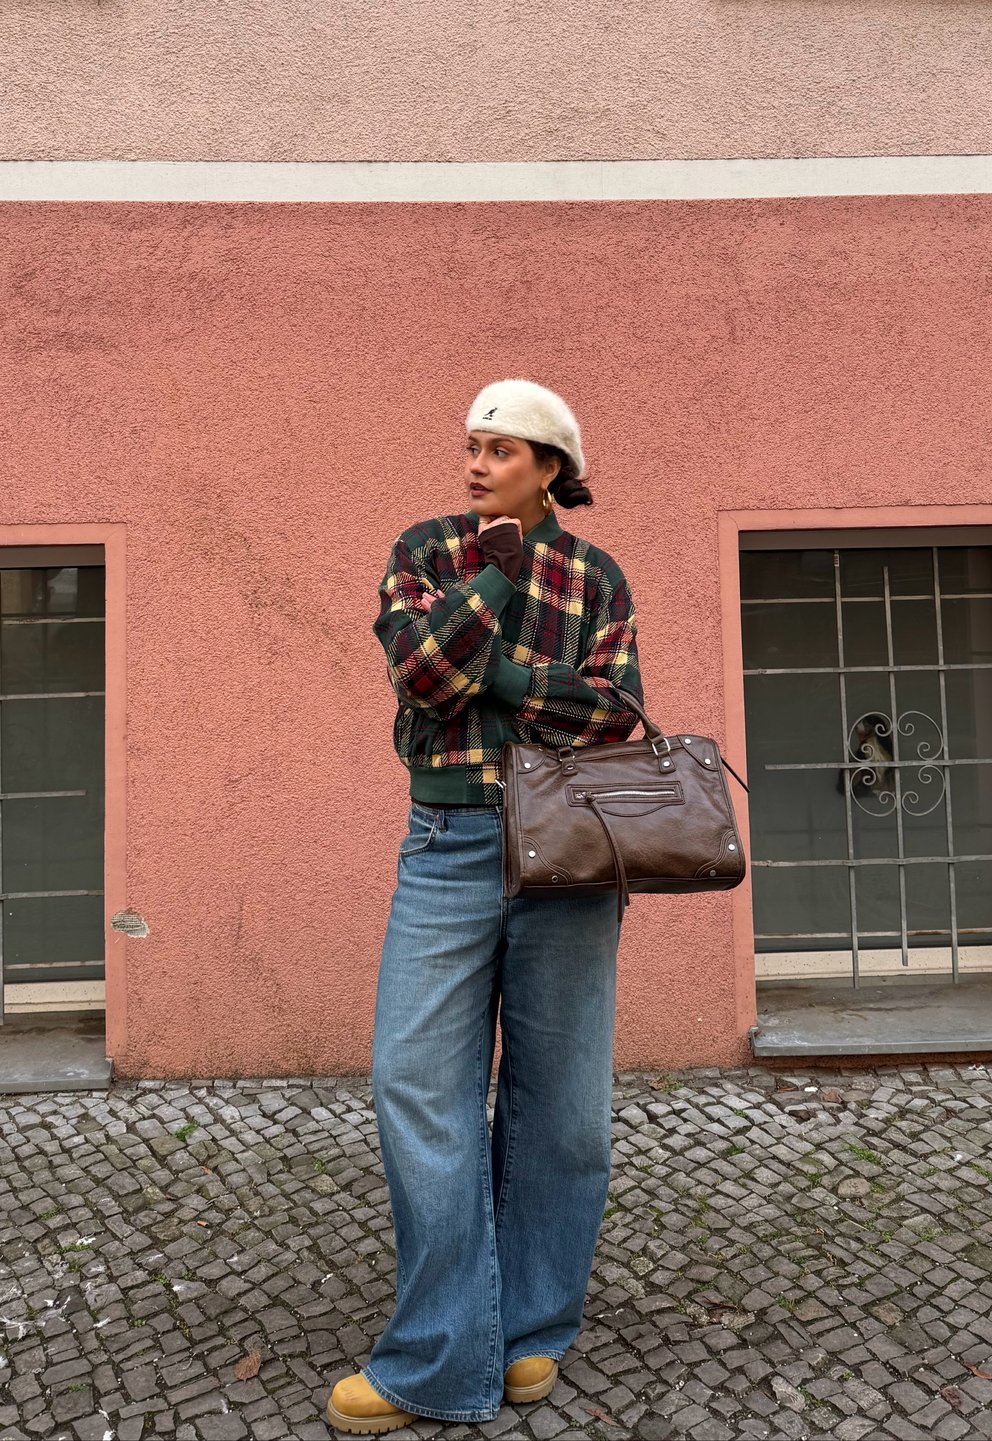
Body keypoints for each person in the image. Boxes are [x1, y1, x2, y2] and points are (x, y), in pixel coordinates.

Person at [325, 378, 645, 1434]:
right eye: (469, 444)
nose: (475, 463)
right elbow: (419, 676)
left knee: (561, 1108)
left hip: (567, 855)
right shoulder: (425, 548)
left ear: (552, 468)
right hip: (447, 842)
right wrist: (495, 577)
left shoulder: (598, 576)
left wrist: (492, 670)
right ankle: (437, 1353)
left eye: (500, 449)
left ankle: (530, 1333)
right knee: (417, 1084)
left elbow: (611, 713)